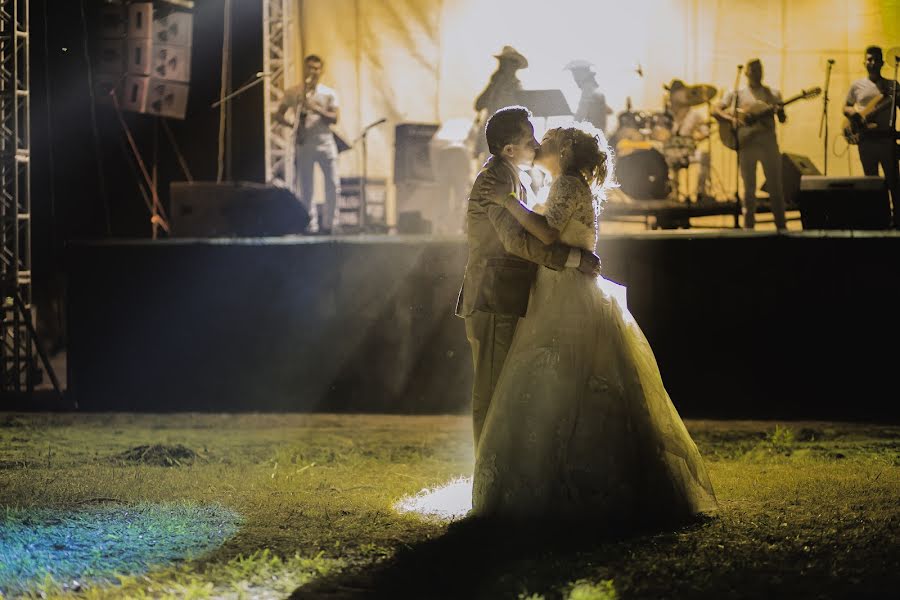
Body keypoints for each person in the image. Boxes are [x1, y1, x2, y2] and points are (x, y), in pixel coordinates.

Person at [472, 122, 717, 526]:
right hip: (563, 285)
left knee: (563, 380)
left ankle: (559, 480)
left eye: (546, 140)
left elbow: (548, 233)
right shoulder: (566, 183)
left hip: (567, 292)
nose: (538, 145)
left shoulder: (568, 183)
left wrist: (509, 204)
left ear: (565, 150)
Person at [456, 106, 602, 452]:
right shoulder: (497, 178)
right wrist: (572, 258)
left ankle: (501, 466)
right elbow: (515, 241)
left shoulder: (513, 175)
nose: (536, 145)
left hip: (507, 295)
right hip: (493, 295)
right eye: (529, 139)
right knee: (491, 391)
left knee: (504, 389)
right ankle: (487, 478)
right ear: (510, 150)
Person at [714, 59, 787, 230]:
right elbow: (716, 110)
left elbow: (783, 119)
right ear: (746, 72)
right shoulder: (736, 94)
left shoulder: (773, 94)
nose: (756, 73)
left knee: (776, 187)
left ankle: (782, 228)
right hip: (747, 145)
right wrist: (732, 119)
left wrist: (781, 112)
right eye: (753, 70)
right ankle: (749, 229)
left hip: (769, 145)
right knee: (749, 189)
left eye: (759, 69)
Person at [275, 54, 341, 234]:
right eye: (310, 67)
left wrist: (315, 108)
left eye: (316, 68)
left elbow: (334, 118)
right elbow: (278, 115)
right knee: (306, 186)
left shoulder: (329, 93)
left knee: (333, 183)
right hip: (304, 143)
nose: (313, 71)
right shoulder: (293, 92)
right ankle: (309, 225)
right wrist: (294, 126)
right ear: (304, 69)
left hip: (325, 143)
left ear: (321, 71)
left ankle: (330, 224)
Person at [843, 46, 900, 228]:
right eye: (869, 59)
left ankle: (897, 221)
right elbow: (846, 107)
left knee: (894, 182)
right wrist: (855, 115)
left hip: (886, 141)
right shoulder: (857, 85)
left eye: (876, 60)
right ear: (864, 62)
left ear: (882, 62)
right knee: (871, 182)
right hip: (866, 141)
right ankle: (877, 220)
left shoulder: (892, 86)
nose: (872, 63)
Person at [471, 47, 528, 162]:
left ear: (514, 66)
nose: (502, 65)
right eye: (502, 62)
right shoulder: (495, 85)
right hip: (491, 135)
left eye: (505, 62)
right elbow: (478, 105)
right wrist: (492, 85)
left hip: (507, 137)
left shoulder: (517, 88)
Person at [666, 79, 712, 201]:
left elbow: (705, 131)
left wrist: (697, 136)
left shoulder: (694, 114)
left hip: (689, 151)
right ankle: (673, 192)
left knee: (704, 156)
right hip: (670, 152)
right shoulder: (667, 113)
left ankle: (701, 191)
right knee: (665, 157)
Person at [565, 59, 613, 135]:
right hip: (599, 131)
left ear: (582, 73)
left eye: (575, 74)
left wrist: (571, 127)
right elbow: (609, 110)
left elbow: (582, 112)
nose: (575, 78)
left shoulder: (588, 88)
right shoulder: (594, 87)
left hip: (594, 133)